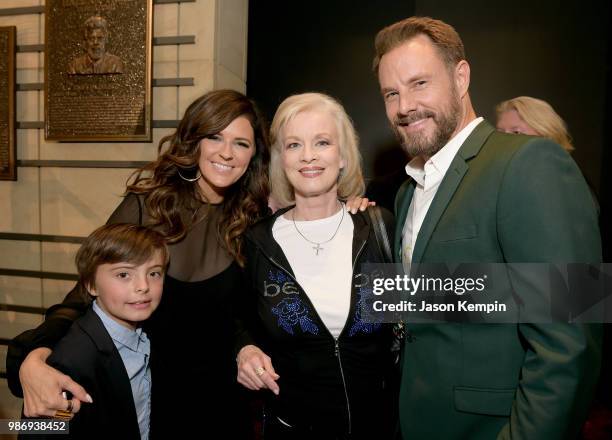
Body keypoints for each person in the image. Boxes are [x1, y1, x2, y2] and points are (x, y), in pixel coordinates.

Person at [373, 16, 602, 439]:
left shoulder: (530, 164)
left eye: (419, 83)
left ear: (461, 77)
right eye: (391, 92)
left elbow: (571, 343)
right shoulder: (409, 191)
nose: (404, 106)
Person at [8, 89, 271, 438]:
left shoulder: (252, 219)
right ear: (194, 142)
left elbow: (246, 315)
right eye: (215, 136)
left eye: (241, 143)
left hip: (223, 401)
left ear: (253, 154)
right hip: (149, 396)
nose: (227, 152)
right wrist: (36, 355)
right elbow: (83, 297)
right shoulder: (149, 207)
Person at [235, 92, 396, 439]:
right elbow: (238, 318)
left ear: (342, 156)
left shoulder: (379, 226)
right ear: (281, 159)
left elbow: (429, 309)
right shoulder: (259, 242)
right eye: (294, 145)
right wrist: (244, 350)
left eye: (322, 142)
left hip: (381, 428)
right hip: (291, 428)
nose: (308, 156)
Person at [23, 223, 169, 439]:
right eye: (123, 275)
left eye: (154, 273)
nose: (143, 286)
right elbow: (40, 432)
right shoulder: (73, 363)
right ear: (91, 284)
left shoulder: (154, 332)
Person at [495, 96, 574, 152]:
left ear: (547, 136)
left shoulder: (559, 174)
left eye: (516, 132)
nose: (504, 140)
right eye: (500, 133)